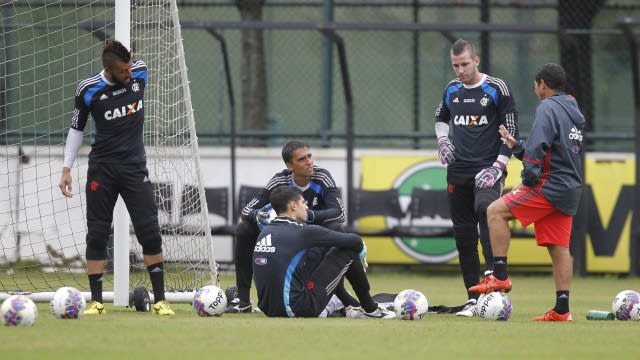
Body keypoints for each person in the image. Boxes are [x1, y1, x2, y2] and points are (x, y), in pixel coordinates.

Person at [58, 39, 174, 316]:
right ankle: (97, 302)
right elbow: (76, 130)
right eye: (123, 70)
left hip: (135, 169)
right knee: (97, 233)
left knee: (150, 232)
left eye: (130, 67)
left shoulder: (139, 72)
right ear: (108, 70)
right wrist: (66, 168)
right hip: (102, 170)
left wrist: (130, 61)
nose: (130, 75)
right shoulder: (88, 90)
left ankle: (160, 300)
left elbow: (135, 67)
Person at [469, 63, 585, 322]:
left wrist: (528, 180)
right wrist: (517, 146)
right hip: (569, 188)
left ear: (542, 84)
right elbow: (551, 149)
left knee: (495, 211)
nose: (535, 89)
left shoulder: (547, 107)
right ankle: (562, 310)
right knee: (559, 247)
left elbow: (539, 148)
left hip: (550, 185)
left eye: (535, 84)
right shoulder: (571, 110)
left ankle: (499, 275)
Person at [434, 38, 519, 317]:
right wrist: (443, 140)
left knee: (486, 212)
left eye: (465, 64)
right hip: (458, 169)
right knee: (463, 234)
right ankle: (473, 298)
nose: (460, 70)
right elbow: (440, 117)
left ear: (477, 60)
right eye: (455, 65)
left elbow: (511, 131)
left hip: (488, 167)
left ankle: (493, 286)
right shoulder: (452, 89)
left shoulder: (496, 88)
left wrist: (498, 166)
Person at [227, 140, 345, 313]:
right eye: (302, 159)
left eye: (309, 156)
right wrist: (259, 216)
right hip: (284, 241)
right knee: (244, 229)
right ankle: (243, 300)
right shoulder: (279, 180)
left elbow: (339, 213)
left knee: (337, 229)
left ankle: (339, 296)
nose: (309, 162)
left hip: (312, 240)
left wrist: (310, 216)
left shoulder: (322, 177)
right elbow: (247, 210)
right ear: (290, 165)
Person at [252, 186, 394, 319]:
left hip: (269, 309)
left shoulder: (264, 232)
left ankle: (348, 303)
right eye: (303, 202)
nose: (307, 207)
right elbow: (355, 241)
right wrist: (361, 252)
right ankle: (371, 309)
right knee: (348, 250)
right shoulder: (303, 232)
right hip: (298, 308)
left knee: (322, 247)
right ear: (293, 206)